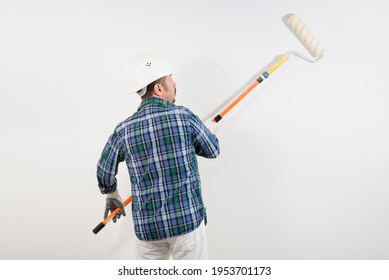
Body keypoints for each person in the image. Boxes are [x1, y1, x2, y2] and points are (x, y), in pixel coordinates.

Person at [97, 51, 220, 260]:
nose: (175, 84)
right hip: (187, 223)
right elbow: (212, 150)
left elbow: (104, 171)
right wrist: (205, 130)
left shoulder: (123, 130)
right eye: (171, 79)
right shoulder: (184, 116)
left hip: (148, 230)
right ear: (159, 89)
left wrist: (112, 194)